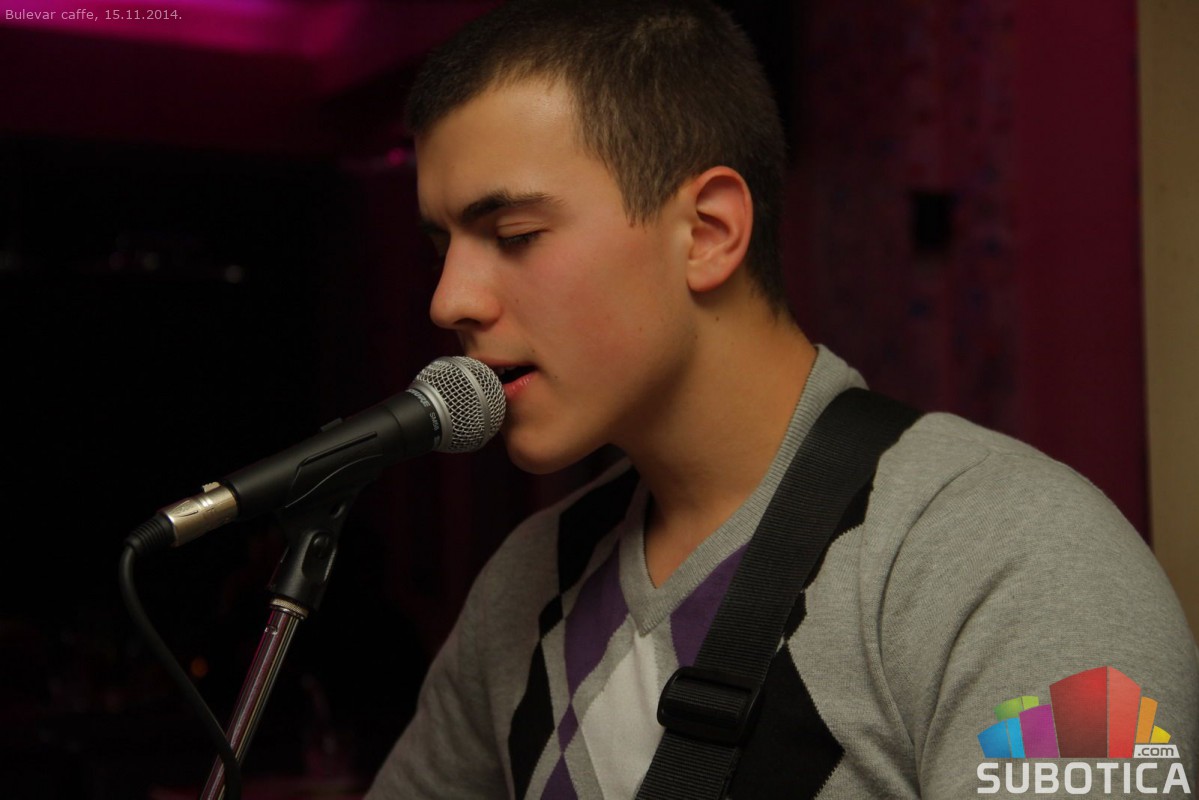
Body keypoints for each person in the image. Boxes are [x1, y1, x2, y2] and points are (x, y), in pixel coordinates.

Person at [366, 1, 1199, 797]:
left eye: (513, 235)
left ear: (708, 233)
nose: (449, 300)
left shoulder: (1018, 554)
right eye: (443, 248)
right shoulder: (526, 583)